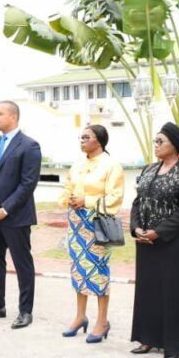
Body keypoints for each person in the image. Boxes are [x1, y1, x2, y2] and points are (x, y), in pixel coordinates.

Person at [129, 123, 179, 358]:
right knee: (148, 292)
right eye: (155, 141)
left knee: (174, 293)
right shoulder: (149, 169)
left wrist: (158, 232)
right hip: (146, 241)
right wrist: (137, 228)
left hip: (175, 242)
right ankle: (148, 339)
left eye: (161, 141)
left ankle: (175, 344)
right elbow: (138, 201)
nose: (156, 146)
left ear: (175, 145)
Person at [0, 101, 42, 329]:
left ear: (13, 117)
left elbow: (27, 184)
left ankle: (25, 311)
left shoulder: (29, 146)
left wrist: (5, 210)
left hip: (15, 217)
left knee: (22, 263)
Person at [58, 124, 125, 343]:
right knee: (78, 270)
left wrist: (86, 201)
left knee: (98, 271)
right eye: (81, 137)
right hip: (77, 224)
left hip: (97, 225)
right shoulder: (78, 164)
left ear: (99, 140)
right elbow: (68, 187)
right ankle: (80, 317)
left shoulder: (111, 165)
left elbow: (115, 197)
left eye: (86, 137)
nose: (82, 140)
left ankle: (102, 321)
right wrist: (67, 198)